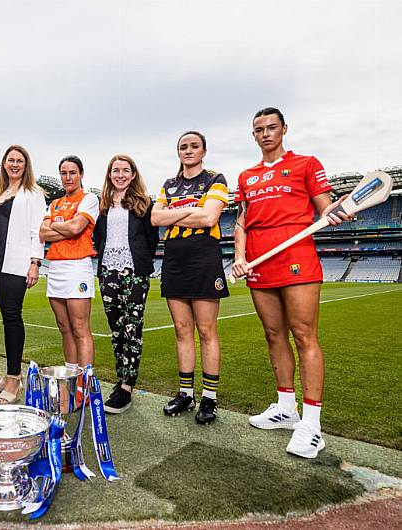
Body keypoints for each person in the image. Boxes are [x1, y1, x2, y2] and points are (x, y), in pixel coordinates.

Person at [232, 107, 348, 458]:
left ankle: (312, 425)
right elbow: (241, 222)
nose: (266, 133)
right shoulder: (246, 176)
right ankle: (286, 407)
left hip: (297, 257)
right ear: (253, 135)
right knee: (273, 334)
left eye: (271, 127)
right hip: (259, 260)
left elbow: (326, 209)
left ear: (284, 129)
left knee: (303, 334)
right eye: (259, 129)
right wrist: (240, 257)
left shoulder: (306, 164)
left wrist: (336, 212)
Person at [151, 131, 229, 425]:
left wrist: (174, 211)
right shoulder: (168, 184)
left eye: (194, 146)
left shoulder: (215, 179)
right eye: (183, 147)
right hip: (174, 260)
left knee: (207, 331)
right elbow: (155, 219)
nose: (188, 150)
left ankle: (209, 398)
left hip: (203, 259)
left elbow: (209, 218)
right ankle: (186, 393)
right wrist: (192, 209)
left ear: (204, 150)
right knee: (182, 330)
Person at [93, 154, 159, 414]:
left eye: (125, 170)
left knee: (132, 329)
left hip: (134, 273)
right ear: (109, 175)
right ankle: (121, 379)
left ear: (133, 175)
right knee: (116, 330)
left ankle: (128, 387)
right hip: (108, 272)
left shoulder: (144, 204)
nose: (120, 175)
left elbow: (152, 239)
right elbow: (99, 237)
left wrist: (139, 263)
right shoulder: (104, 204)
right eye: (115, 170)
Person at [0, 145, 46, 404]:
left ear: (26, 165)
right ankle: (14, 372)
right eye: (11, 160)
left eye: (20, 161)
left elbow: (37, 231)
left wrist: (35, 263)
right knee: (6, 317)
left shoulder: (33, 194)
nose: (15, 164)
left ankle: (13, 378)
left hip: (17, 263)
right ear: (4, 164)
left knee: (12, 316)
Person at [39, 155, 99, 373]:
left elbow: (76, 228)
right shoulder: (54, 203)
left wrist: (55, 225)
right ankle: (71, 375)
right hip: (55, 268)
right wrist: (63, 226)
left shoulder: (89, 199)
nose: (68, 177)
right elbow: (42, 233)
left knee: (80, 327)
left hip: (77, 267)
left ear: (81, 174)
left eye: (72, 172)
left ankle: (85, 380)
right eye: (63, 173)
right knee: (64, 327)